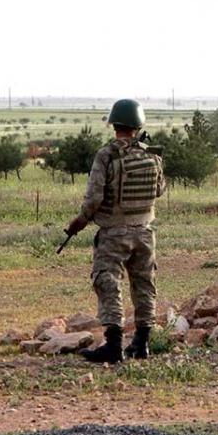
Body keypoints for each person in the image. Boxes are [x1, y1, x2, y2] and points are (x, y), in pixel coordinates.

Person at [65, 99, 165, 363]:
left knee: (108, 283)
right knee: (144, 286)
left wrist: (81, 221)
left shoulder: (106, 155)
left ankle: (113, 346)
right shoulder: (152, 153)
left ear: (114, 124)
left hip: (113, 233)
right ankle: (141, 344)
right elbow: (159, 190)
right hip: (144, 232)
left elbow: (94, 197)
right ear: (138, 124)